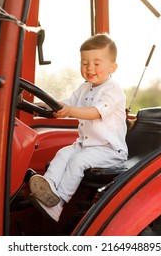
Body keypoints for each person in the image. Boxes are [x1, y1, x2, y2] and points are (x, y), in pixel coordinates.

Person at [28, 33, 128, 222]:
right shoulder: (84, 88)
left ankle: (58, 203)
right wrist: (44, 106)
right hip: (85, 145)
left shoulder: (113, 90)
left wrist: (70, 111)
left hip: (109, 150)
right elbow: (66, 103)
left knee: (78, 161)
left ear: (112, 67)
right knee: (63, 154)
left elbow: (95, 112)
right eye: (84, 63)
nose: (89, 68)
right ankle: (48, 187)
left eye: (96, 63)